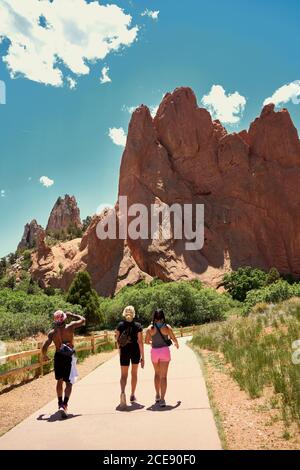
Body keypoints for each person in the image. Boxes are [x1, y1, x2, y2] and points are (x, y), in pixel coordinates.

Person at [41, 310, 85, 418]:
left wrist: (44, 355)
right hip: (69, 357)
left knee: (59, 381)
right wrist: (73, 314)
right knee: (69, 382)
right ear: (65, 318)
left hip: (58, 356)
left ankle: (59, 404)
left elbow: (44, 346)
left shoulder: (52, 333)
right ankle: (65, 405)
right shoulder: (70, 327)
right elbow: (83, 320)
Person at [145, 309, 179, 407]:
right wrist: (176, 344)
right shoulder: (167, 327)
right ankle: (163, 400)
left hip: (155, 352)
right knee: (163, 377)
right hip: (165, 352)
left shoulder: (150, 329)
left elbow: (146, 341)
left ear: (154, 317)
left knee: (157, 374)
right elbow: (173, 338)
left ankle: (157, 395)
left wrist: (153, 343)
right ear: (163, 316)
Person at [115, 306, 144, 408]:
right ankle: (132, 394)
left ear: (124, 313)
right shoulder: (138, 326)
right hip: (135, 351)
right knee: (134, 373)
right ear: (133, 313)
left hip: (124, 352)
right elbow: (140, 342)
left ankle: (123, 393)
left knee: (123, 375)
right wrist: (143, 357)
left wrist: (120, 352)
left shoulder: (120, 325)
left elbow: (117, 341)